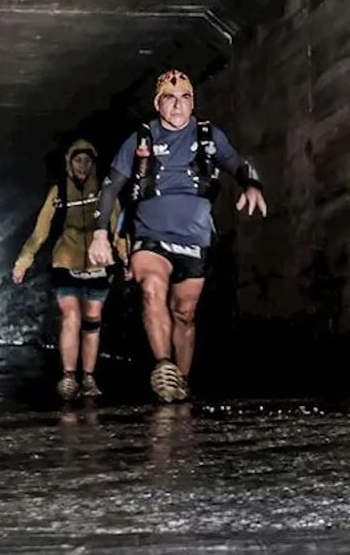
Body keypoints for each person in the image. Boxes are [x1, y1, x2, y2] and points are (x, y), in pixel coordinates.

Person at [90, 69, 267, 403]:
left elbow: (235, 162)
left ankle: (180, 383)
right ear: (158, 104)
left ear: (192, 102)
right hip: (150, 235)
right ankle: (163, 365)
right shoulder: (141, 138)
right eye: (169, 99)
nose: (178, 106)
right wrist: (101, 233)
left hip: (195, 239)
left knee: (184, 314)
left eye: (185, 98)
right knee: (152, 289)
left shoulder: (208, 135)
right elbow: (111, 187)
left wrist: (252, 183)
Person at [12, 138, 126, 401]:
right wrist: (23, 263)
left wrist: (126, 257)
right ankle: (68, 377)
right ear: (69, 163)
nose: (83, 166)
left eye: (87, 161)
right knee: (71, 317)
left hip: (98, 263)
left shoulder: (104, 191)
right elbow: (40, 232)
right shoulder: (59, 191)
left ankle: (88, 378)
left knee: (92, 322)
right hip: (65, 261)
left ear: (94, 164)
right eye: (78, 160)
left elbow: (118, 226)